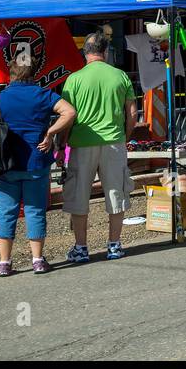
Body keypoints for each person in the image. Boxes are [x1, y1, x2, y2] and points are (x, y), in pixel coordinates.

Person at [0, 59, 77, 275]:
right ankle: (37, 260)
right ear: (34, 74)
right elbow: (69, 112)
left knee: (6, 212)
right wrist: (51, 132)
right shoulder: (43, 95)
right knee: (35, 211)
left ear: (11, 74)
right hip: (36, 161)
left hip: (6, 163)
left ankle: (4, 263)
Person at [61, 32, 137, 263]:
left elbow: (67, 116)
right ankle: (114, 244)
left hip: (82, 143)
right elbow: (132, 114)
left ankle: (81, 248)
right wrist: (125, 136)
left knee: (79, 194)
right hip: (114, 141)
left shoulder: (74, 79)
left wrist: (63, 142)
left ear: (85, 52)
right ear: (106, 52)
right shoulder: (120, 76)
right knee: (116, 192)